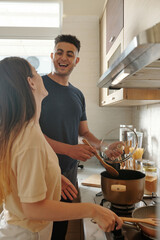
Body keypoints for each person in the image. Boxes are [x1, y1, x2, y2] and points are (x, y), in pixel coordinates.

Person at [0, 57, 123, 240]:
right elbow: (33, 208)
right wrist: (93, 210)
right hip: (26, 233)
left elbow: (18, 168)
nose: (41, 75)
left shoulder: (22, 129)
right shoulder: (29, 136)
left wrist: (51, 174)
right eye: (35, 71)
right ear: (31, 82)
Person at [39, 34, 124, 239]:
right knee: (40, 229)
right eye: (59, 52)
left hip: (68, 174)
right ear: (52, 55)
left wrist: (104, 148)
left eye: (70, 54)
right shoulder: (37, 87)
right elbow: (30, 133)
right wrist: (69, 149)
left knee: (59, 230)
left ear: (76, 60)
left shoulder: (77, 94)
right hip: (41, 172)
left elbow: (83, 132)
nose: (63, 58)